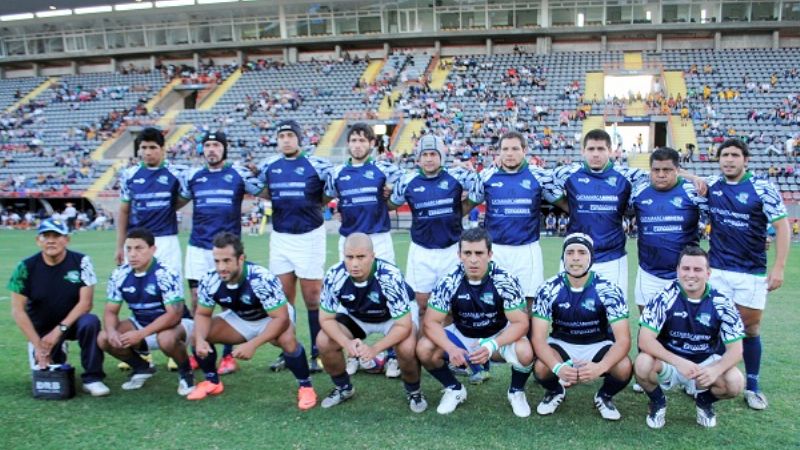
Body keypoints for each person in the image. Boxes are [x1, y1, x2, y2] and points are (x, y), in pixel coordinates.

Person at [705, 138, 790, 410]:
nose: (729, 160)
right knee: (712, 326)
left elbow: (782, 227)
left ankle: (752, 386)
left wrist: (779, 266)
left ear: (746, 160)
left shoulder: (763, 188)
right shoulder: (712, 185)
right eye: (725, 155)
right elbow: (678, 173)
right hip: (717, 270)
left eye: (734, 155)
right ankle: (708, 377)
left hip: (751, 272)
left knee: (750, 329)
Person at [189, 232, 317, 410]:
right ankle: (212, 381)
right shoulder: (210, 279)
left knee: (287, 339)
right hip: (240, 318)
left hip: (271, 318)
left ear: (241, 259)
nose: (221, 267)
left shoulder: (261, 278)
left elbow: (281, 319)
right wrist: (201, 340)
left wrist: (252, 344)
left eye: (227, 261)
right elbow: (202, 314)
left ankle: (306, 387)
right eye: (217, 261)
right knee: (196, 335)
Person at [416, 228, 534, 417]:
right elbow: (431, 322)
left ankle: (516, 391)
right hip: (462, 336)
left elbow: (521, 323)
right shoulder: (449, 280)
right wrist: (451, 348)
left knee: (525, 352)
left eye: (479, 253)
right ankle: (454, 388)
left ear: (490, 254)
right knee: (424, 348)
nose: (473, 259)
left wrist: (491, 345)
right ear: (459, 255)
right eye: (467, 253)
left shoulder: (505, 280)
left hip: (496, 336)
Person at [182, 130, 265, 375]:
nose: (212, 150)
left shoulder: (238, 174)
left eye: (216, 145)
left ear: (224, 149)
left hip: (228, 249)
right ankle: (199, 350)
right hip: (198, 247)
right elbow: (178, 200)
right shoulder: (193, 176)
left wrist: (259, 171)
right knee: (197, 301)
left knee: (228, 302)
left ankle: (228, 356)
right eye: (207, 146)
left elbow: (264, 191)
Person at [635, 246, 745, 428]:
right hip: (670, 362)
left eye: (697, 269)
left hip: (705, 364)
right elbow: (645, 340)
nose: (691, 274)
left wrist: (715, 370)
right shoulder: (663, 297)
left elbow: (736, 350)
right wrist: (678, 362)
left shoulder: (722, 302)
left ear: (708, 273)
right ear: (678, 270)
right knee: (642, 363)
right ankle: (658, 401)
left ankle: (704, 401)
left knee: (735, 382)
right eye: (686, 268)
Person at [316, 233, 426, 413]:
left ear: (372, 256)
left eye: (361, 257)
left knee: (406, 347)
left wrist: (374, 349)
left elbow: (403, 325)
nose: (355, 263)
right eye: (349, 257)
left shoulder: (389, 276)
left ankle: (414, 390)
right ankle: (343, 388)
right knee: (324, 341)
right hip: (356, 315)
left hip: (392, 318)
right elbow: (325, 319)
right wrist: (346, 343)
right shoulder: (335, 274)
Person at [257, 120, 332, 373]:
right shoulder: (269, 166)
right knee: (283, 298)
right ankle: (288, 351)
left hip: (310, 236)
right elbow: (263, 190)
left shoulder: (317, 165)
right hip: (281, 236)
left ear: (299, 138)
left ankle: (317, 353)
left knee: (312, 298)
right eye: (282, 136)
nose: (286, 140)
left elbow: (329, 193)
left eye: (290, 135)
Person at [531, 233, 632, 421]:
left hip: (598, 344)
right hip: (562, 343)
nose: (575, 258)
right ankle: (555, 391)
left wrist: (601, 367)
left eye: (582, 252)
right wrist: (557, 367)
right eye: (570, 252)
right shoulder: (548, 288)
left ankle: (604, 396)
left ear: (591, 257)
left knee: (624, 367)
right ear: (563, 258)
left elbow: (624, 340)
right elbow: (537, 338)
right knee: (541, 367)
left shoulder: (609, 289)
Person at [7, 217, 109, 397]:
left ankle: (92, 378)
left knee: (90, 322)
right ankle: (55, 351)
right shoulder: (24, 267)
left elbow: (86, 303)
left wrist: (58, 331)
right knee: (47, 373)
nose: (51, 240)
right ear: (38, 240)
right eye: (46, 236)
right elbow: (18, 310)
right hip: (42, 327)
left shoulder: (82, 261)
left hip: (72, 323)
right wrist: (38, 345)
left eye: (56, 236)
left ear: (67, 239)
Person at [552, 129, 648, 301]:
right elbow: (542, 182)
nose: (595, 154)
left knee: (614, 309)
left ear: (610, 151)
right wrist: (567, 205)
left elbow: (664, 173)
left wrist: (693, 178)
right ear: (583, 151)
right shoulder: (566, 174)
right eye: (591, 149)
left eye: (601, 149)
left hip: (612, 258)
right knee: (568, 308)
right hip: (575, 255)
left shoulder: (627, 176)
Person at [98, 228, 195, 395]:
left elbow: (174, 315)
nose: (132, 254)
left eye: (139, 248)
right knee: (104, 338)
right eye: (129, 249)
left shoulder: (166, 273)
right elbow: (110, 311)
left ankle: (186, 373)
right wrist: (112, 331)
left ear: (153, 249)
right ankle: (142, 368)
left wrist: (141, 334)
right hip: (141, 324)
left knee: (166, 338)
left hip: (177, 326)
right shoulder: (119, 274)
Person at [468, 131, 561, 302]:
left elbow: (564, 203)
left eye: (515, 149)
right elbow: (467, 204)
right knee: (493, 302)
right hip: (495, 250)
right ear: (499, 152)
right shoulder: (486, 176)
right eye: (505, 149)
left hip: (527, 250)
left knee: (528, 302)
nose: (509, 153)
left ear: (524, 150)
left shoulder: (540, 176)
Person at [389, 134, 476, 315]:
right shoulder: (406, 181)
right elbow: (390, 204)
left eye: (433, 154)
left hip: (452, 250)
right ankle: (424, 334)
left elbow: (483, 185)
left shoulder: (457, 175)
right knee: (421, 304)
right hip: (421, 251)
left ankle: (446, 335)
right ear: (418, 158)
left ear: (441, 156)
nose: (429, 159)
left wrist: (464, 206)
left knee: (453, 304)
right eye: (425, 154)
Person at [631, 147, 706, 313]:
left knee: (686, 324)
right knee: (648, 322)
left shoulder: (693, 191)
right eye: (656, 170)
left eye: (667, 170)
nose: (661, 174)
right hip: (649, 273)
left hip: (685, 274)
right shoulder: (638, 190)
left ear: (677, 170)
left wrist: (693, 177)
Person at [325, 122, 401, 263]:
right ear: (348, 144)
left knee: (384, 277)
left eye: (362, 140)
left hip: (378, 238)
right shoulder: (335, 173)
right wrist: (335, 210)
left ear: (371, 143)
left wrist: (391, 191)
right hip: (349, 238)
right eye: (354, 141)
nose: (357, 145)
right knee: (350, 277)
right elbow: (326, 196)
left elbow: (406, 187)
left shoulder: (385, 169)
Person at [116, 127, 187, 276]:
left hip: (166, 240)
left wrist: (170, 208)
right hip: (136, 240)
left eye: (153, 147)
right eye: (144, 148)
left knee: (170, 285)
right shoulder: (129, 175)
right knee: (136, 286)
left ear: (162, 149)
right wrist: (120, 246)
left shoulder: (177, 174)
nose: (147, 152)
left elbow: (183, 198)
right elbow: (124, 211)